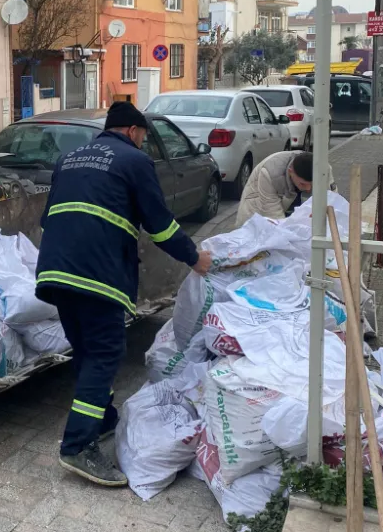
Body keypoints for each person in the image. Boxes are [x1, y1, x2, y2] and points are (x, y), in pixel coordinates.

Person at [35, 100, 213, 487]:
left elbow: (47, 216)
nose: (144, 143)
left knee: (86, 350)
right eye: (144, 136)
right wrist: (194, 257)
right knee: (104, 354)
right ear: (133, 131)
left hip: (55, 271)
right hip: (97, 274)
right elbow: (160, 225)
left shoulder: (69, 158)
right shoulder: (134, 161)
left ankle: (102, 419)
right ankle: (78, 446)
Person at [235, 150, 336, 227]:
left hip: (288, 200)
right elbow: (274, 216)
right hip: (258, 207)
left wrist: (322, 212)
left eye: (312, 184)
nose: (308, 189)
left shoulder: (324, 170)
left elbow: (331, 199)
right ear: (290, 171)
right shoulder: (269, 174)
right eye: (303, 184)